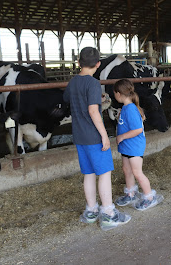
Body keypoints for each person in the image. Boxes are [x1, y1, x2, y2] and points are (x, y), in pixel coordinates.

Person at [63, 47, 131, 231]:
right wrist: (104, 136)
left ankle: (91, 211)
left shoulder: (73, 82)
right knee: (104, 173)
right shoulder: (93, 83)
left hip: (79, 135)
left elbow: (69, 100)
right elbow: (93, 111)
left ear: (78, 63)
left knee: (89, 174)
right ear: (98, 64)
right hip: (94, 136)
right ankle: (108, 214)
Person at [113, 79, 163, 211]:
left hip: (134, 146)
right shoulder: (125, 107)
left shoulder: (130, 109)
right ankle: (131, 193)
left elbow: (137, 130)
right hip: (126, 145)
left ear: (118, 93)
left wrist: (122, 136)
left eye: (114, 93)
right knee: (127, 169)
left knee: (137, 172)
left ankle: (149, 197)